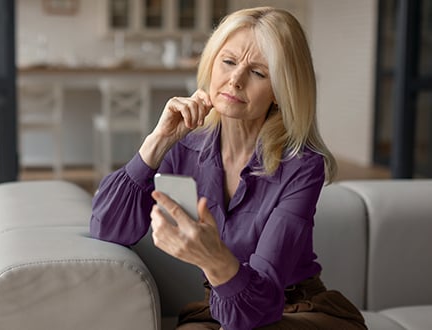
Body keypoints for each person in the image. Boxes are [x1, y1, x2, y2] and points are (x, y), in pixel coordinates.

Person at [90, 6, 366, 330]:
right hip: (220, 308)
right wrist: (157, 141)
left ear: (281, 91)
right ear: (211, 63)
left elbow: (262, 295)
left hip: (297, 309)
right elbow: (106, 226)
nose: (235, 81)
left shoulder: (302, 165)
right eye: (229, 62)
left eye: (258, 73)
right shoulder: (182, 145)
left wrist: (211, 258)